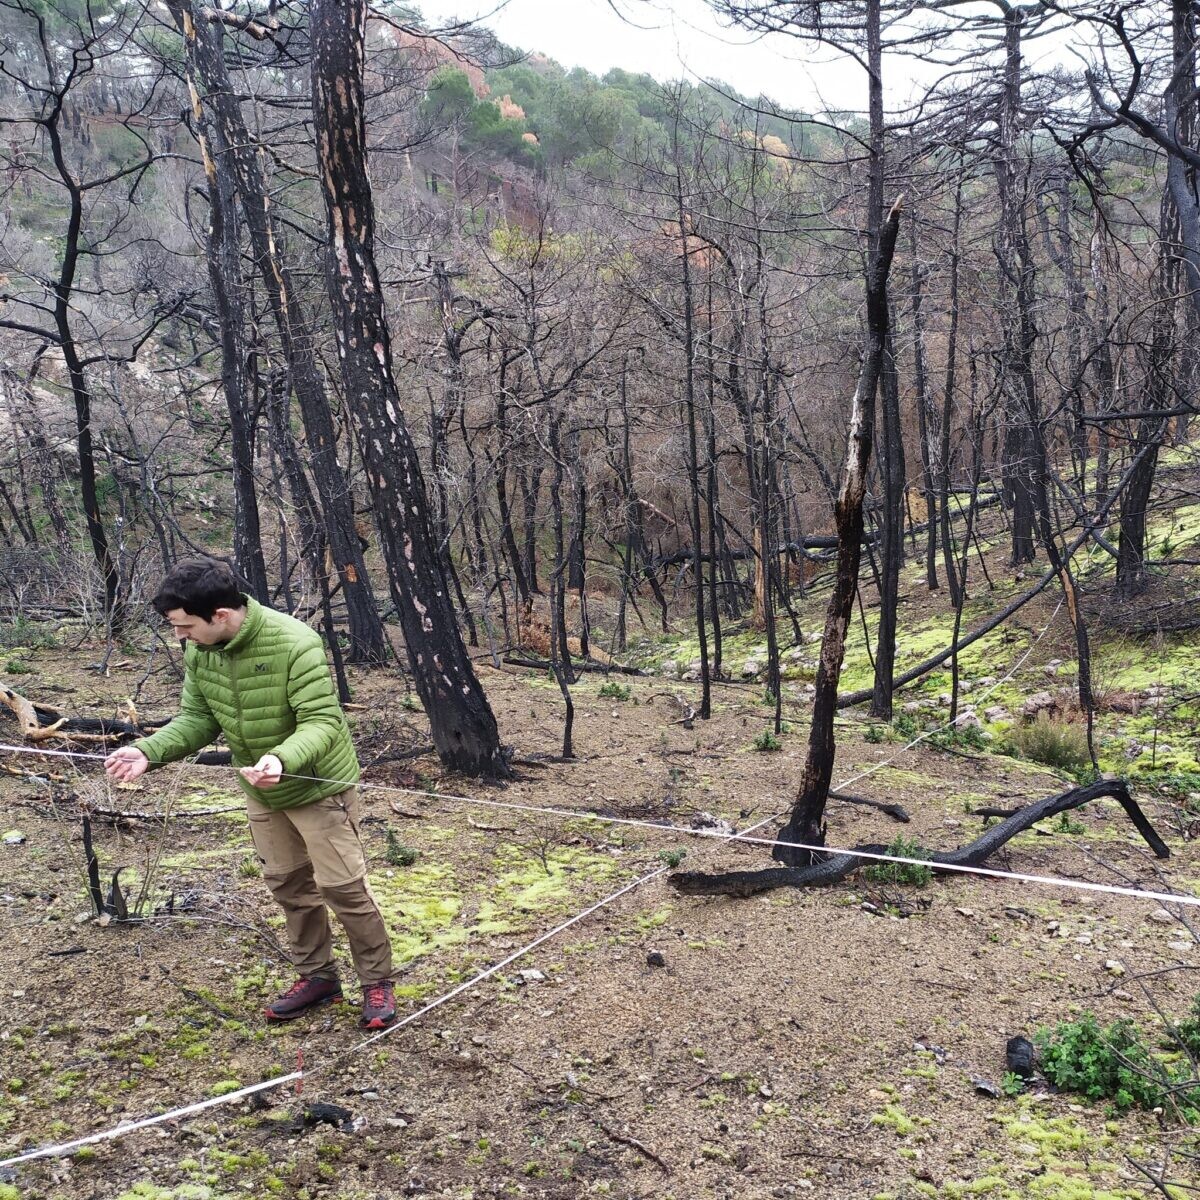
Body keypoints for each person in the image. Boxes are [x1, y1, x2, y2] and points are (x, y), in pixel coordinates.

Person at [105, 556, 397, 1029]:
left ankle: (377, 982)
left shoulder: (295, 642)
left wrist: (281, 759)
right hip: (261, 790)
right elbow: (199, 719)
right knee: (288, 885)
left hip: (317, 785)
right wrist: (149, 751)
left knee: (343, 888)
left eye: (184, 625)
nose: (180, 636)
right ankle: (318, 976)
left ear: (220, 615)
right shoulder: (201, 650)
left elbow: (323, 721)